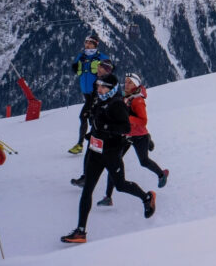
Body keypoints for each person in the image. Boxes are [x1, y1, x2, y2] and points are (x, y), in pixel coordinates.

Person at [60, 74, 156, 244]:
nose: (99, 89)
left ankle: (146, 197)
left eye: (103, 87)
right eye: (98, 86)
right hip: (96, 152)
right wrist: (93, 134)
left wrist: (104, 127)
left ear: (111, 89)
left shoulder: (117, 104)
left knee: (120, 185)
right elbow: (97, 123)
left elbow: (125, 127)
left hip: (111, 153)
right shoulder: (99, 101)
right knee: (87, 189)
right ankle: (81, 231)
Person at [98, 73, 168, 207]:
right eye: (126, 82)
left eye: (130, 82)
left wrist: (126, 120)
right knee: (114, 162)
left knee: (144, 161)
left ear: (136, 84)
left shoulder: (137, 101)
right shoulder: (127, 97)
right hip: (127, 135)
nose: (127, 84)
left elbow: (143, 121)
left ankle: (161, 175)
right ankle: (108, 196)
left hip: (138, 135)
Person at [70, 59, 116, 187]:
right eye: (98, 66)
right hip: (98, 125)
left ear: (107, 70)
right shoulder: (98, 81)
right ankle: (87, 178)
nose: (98, 69)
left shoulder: (110, 82)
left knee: (105, 155)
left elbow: (110, 102)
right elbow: (94, 100)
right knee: (92, 152)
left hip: (106, 128)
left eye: (101, 67)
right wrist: (90, 113)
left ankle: (113, 181)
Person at [69, 34, 109, 154]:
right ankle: (99, 143)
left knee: (84, 116)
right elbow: (75, 69)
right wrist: (75, 67)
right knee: (93, 118)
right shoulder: (81, 57)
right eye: (86, 42)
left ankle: (81, 144)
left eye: (90, 43)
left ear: (96, 44)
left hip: (96, 94)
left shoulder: (101, 57)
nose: (87, 45)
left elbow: (111, 69)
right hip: (86, 94)